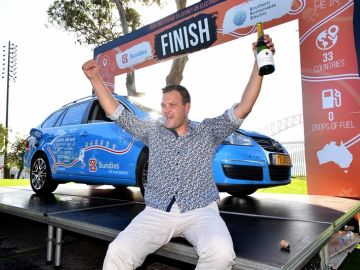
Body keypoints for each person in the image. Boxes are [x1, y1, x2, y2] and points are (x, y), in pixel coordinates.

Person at [82, 35, 275, 270]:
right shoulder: (153, 130)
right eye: (163, 106)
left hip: (200, 211)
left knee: (222, 254)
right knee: (117, 252)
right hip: (157, 212)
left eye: (172, 105)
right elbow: (116, 112)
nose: (166, 111)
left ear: (186, 107)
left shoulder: (208, 130)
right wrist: (96, 79)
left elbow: (244, 106)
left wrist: (258, 64)